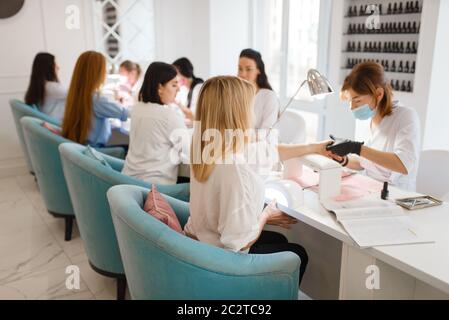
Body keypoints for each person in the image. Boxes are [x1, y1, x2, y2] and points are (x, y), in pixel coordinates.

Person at [183, 76, 332, 286]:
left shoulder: (205, 147)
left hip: (199, 244)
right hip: (221, 263)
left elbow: (270, 151)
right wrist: (265, 215)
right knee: (297, 254)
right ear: (237, 112)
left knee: (279, 240)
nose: (253, 113)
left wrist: (315, 147)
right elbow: (238, 243)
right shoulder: (234, 169)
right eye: (250, 106)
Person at [327, 62, 421, 191]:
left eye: (357, 100)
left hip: (398, 195)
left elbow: (403, 165)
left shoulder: (406, 116)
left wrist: (357, 148)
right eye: (350, 100)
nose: (352, 107)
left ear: (378, 94)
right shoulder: (364, 119)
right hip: (369, 188)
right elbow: (364, 162)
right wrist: (344, 160)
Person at [122, 62, 189, 185]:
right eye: (174, 85)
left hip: (128, 183)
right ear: (160, 88)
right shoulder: (169, 116)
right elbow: (189, 153)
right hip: (155, 190)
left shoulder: (137, 109)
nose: (178, 89)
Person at [61, 51, 129, 147]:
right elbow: (125, 113)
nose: (105, 73)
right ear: (97, 73)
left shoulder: (75, 95)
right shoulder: (97, 99)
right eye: (104, 69)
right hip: (96, 152)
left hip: (83, 146)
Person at [238, 48, 279, 130]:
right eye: (240, 69)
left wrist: (242, 136)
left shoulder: (269, 97)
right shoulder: (235, 95)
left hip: (260, 142)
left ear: (258, 70)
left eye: (248, 69)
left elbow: (266, 132)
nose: (242, 74)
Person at [24, 52, 67, 122]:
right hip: (55, 125)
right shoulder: (52, 87)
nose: (58, 67)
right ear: (48, 68)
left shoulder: (40, 87)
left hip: (48, 124)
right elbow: (76, 94)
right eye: (55, 65)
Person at [172, 57, 204, 122]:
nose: (176, 77)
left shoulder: (198, 88)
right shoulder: (182, 89)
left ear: (184, 72)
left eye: (177, 74)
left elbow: (195, 116)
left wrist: (177, 103)